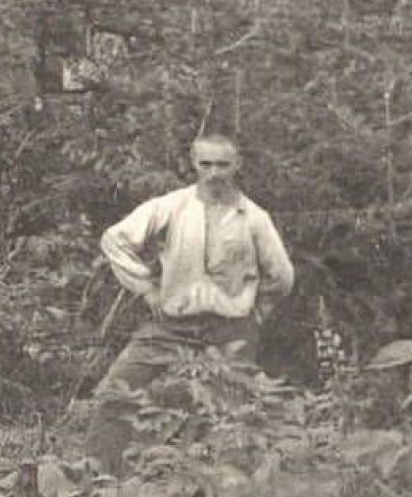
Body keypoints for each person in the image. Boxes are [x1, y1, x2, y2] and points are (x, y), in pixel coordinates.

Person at [85, 133, 295, 470]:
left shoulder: (254, 217)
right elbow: (115, 239)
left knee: (234, 414)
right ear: (194, 165)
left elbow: (281, 275)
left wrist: (258, 312)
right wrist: (146, 289)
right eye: (206, 164)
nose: (214, 173)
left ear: (236, 165)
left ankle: (224, 496)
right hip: (170, 327)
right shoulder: (171, 206)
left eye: (223, 165)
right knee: (116, 391)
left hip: (230, 330)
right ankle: (94, 477)